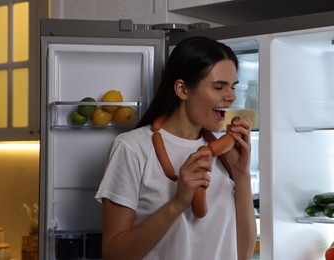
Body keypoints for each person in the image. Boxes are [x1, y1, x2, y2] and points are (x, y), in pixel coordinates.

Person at [95, 36, 257, 260]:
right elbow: (114, 254)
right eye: (219, 87)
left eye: (233, 87)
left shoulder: (224, 155)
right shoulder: (132, 149)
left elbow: (243, 254)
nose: (231, 97)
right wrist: (177, 203)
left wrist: (241, 175)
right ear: (182, 89)